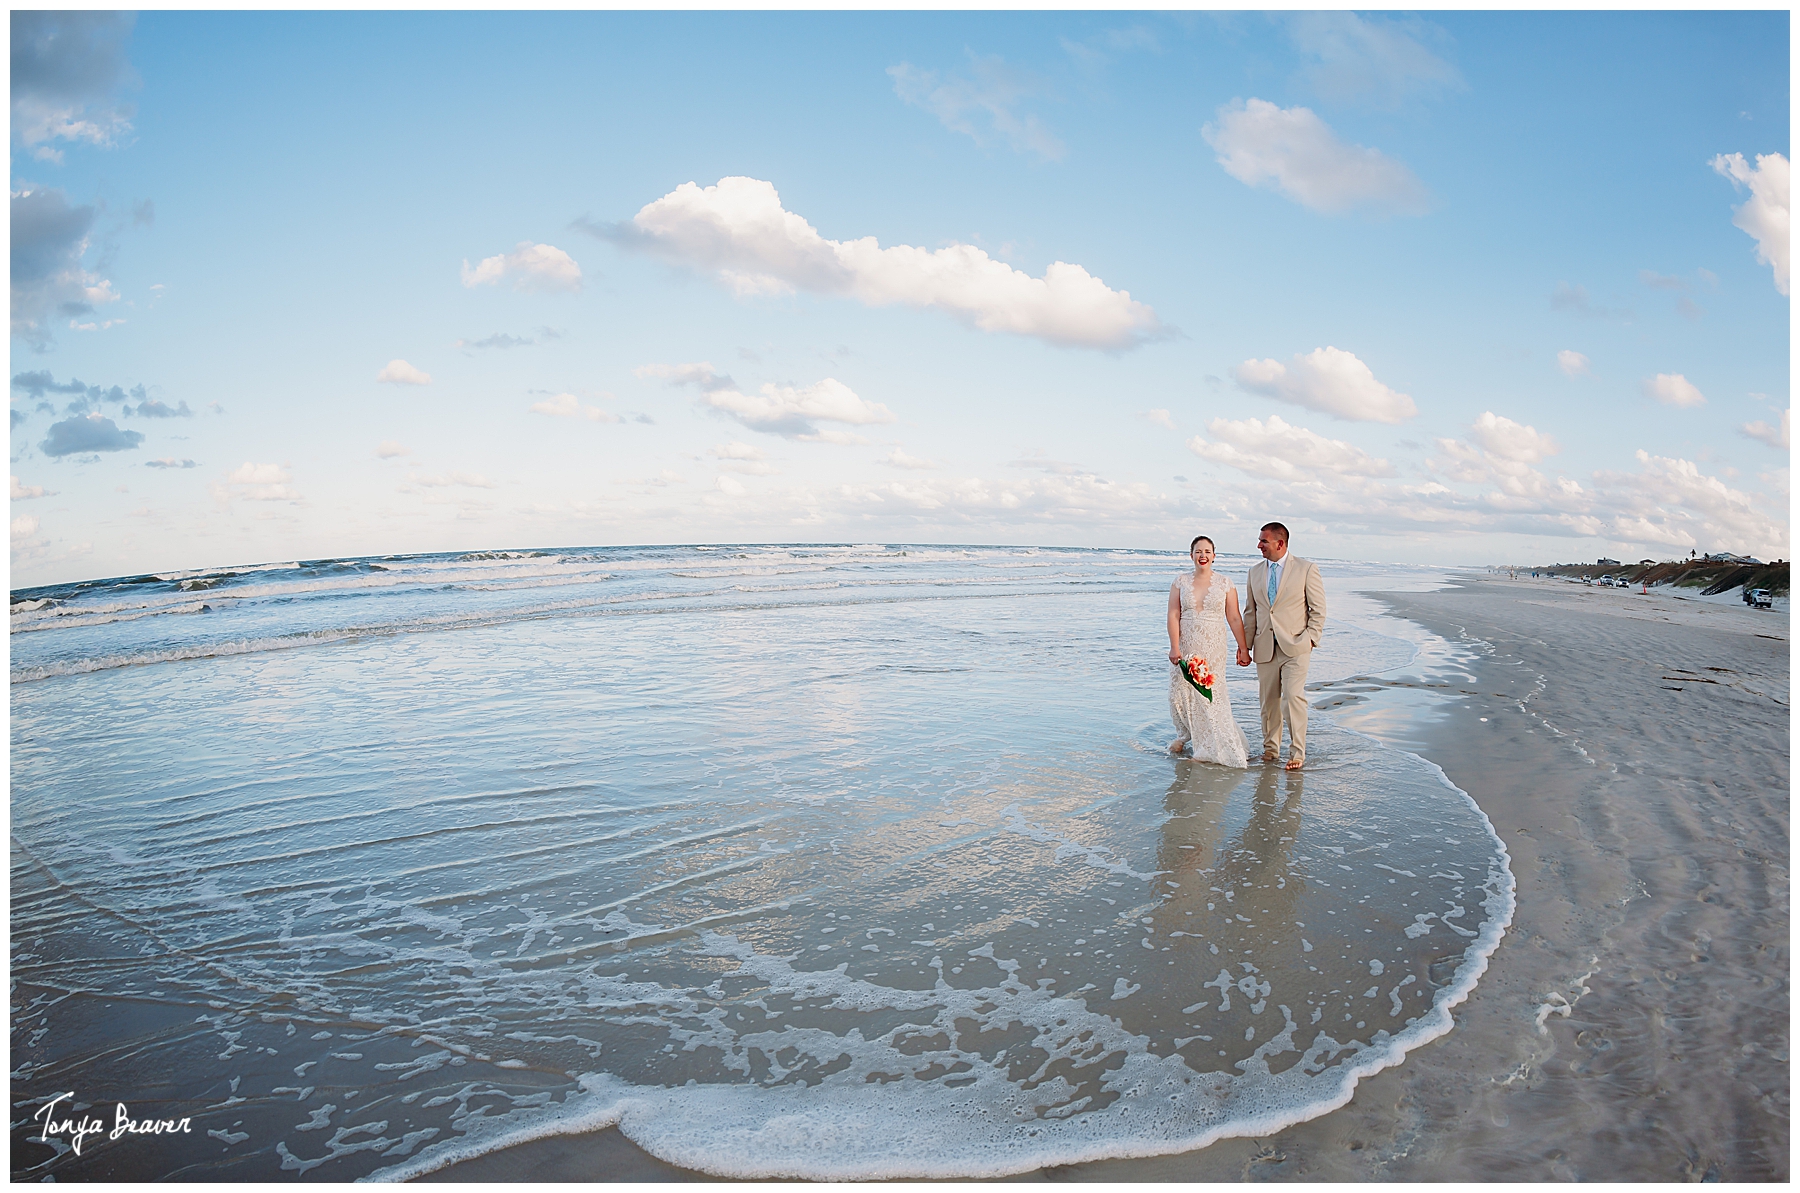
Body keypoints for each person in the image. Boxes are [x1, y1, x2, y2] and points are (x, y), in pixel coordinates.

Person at [1240, 522, 1326, 770]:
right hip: (1264, 646)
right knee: (1268, 702)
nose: (1259, 545)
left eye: (1263, 541)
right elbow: (1250, 613)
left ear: (1280, 543)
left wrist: (1310, 638)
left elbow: (1318, 609)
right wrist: (1245, 648)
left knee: (1292, 698)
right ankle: (1270, 751)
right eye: (1259, 540)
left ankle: (1297, 753)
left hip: (1296, 646)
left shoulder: (1306, 569)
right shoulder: (1254, 572)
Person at [1165, 534, 1251, 766]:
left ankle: (1207, 746)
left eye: (1207, 552)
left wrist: (1243, 648)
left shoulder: (1225, 583)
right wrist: (1174, 646)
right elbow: (1174, 614)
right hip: (1186, 644)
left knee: (1210, 694)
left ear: (1214, 556)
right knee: (1180, 694)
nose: (1202, 556)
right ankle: (1185, 735)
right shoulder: (1180, 581)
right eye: (1198, 551)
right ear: (1191, 555)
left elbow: (1233, 617)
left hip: (1214, 644)